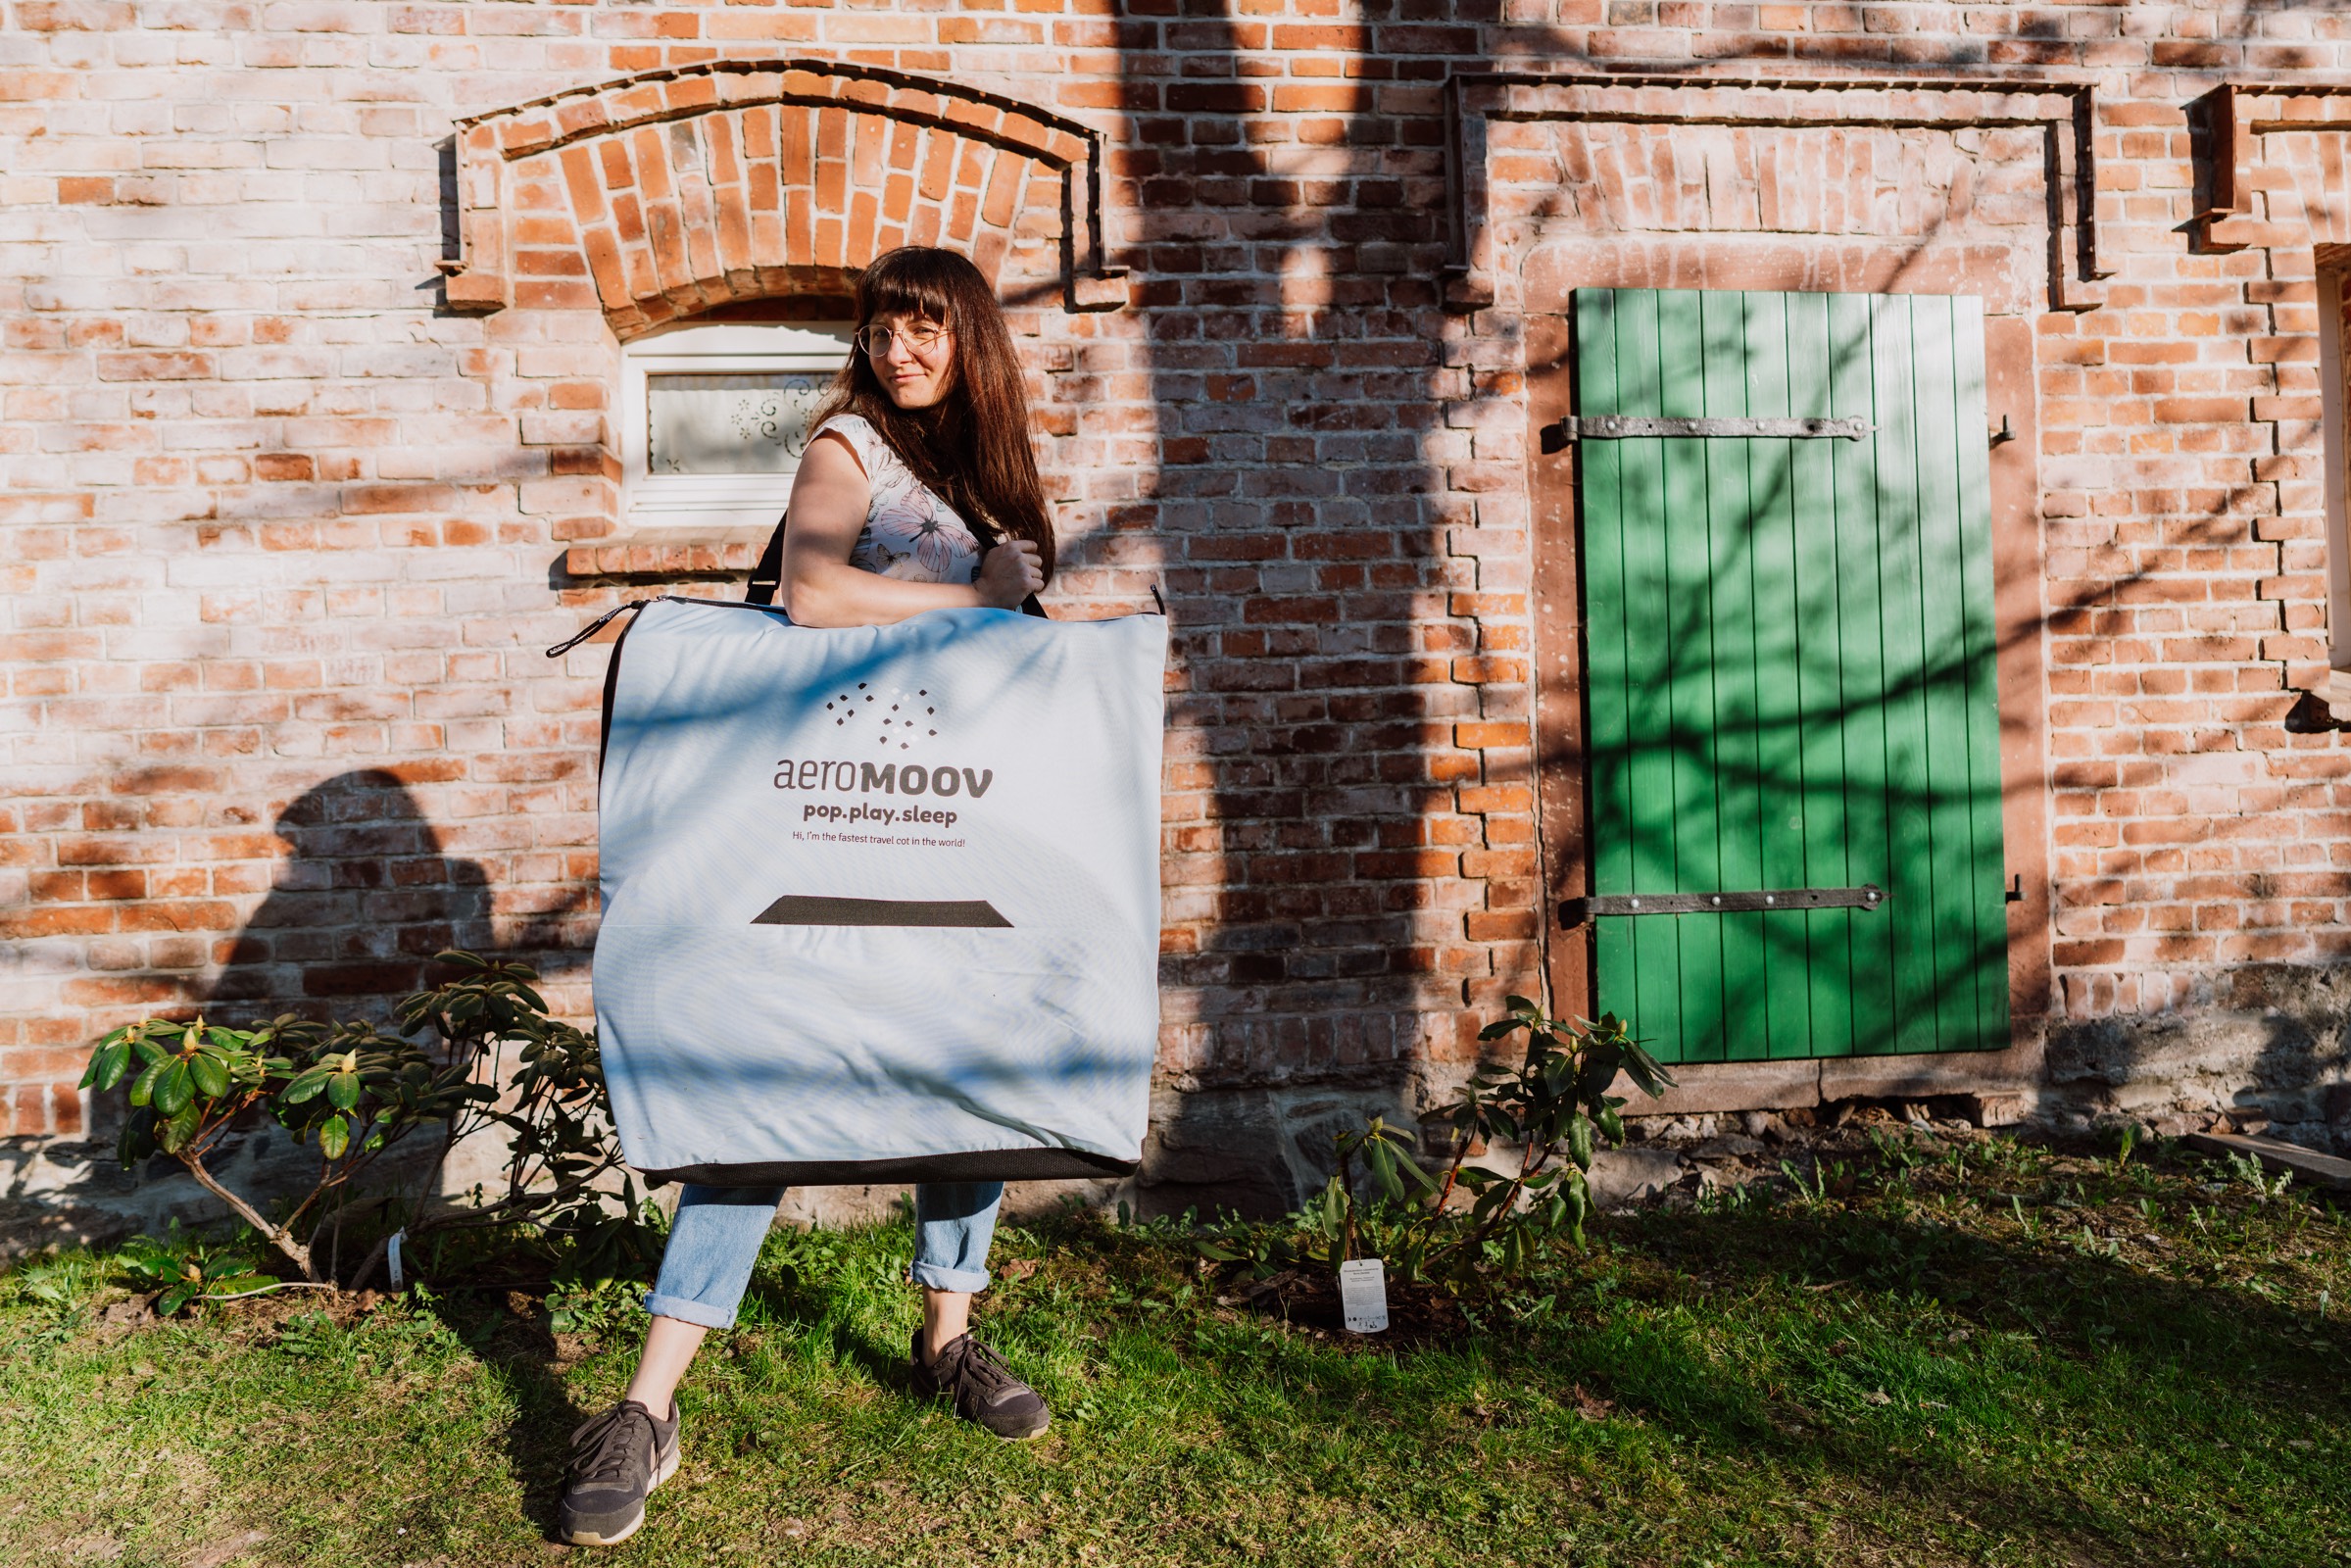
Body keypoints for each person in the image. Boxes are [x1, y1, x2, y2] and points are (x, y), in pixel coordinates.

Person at [557, 246, 1058, 1548]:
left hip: (953, 821)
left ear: (970, 340)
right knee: (769, 1091)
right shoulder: (849, 446)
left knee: (965, 1078)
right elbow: (811, 592)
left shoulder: (992, 474)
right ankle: (647, 1405)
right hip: (830, 819)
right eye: (884, 328)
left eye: (926, 329)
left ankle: (948, 1333)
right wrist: (974, 595)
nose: (901, 350)